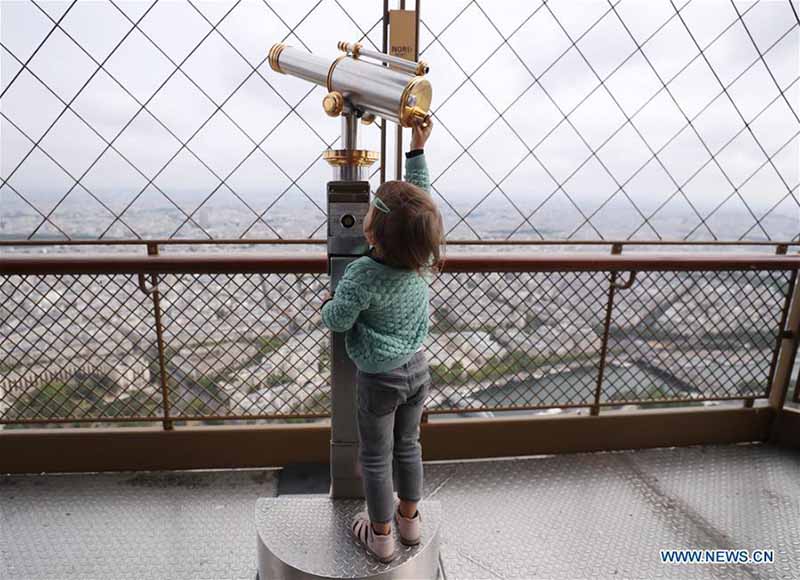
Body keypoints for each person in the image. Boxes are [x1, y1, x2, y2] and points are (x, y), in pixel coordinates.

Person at [320, 118, 441, 563]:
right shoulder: (420, 257)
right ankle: (410, 522)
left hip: (378, 379)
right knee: (409, 446)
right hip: (417, 370)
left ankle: (381, 535)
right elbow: (418, 201)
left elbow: (337, 320)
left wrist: (329, 302)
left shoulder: (361, 274)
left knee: (375, 457)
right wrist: (416, 149)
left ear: (372, 233)